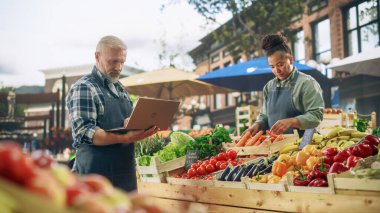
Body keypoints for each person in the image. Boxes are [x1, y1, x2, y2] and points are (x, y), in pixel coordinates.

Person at [66, 35, 159, 192]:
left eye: (122, 62)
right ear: (97, 56)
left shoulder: (121, 89)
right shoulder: (84, 87)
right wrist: (126, 137)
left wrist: (132, 124)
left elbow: (123, 123)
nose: (119, 67)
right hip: (94, 177)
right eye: (113, 61)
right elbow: (85, 132)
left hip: (125, 176)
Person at [246, 34, 324, 136]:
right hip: (275, 145)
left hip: (303, 145)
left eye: (280, 65)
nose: (276, 70)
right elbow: (265, 115)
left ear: (291, 59)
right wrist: (258, 124)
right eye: (272, 67)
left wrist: (291, 121)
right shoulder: (268, 87)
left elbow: (316, 116)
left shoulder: (306, 83)